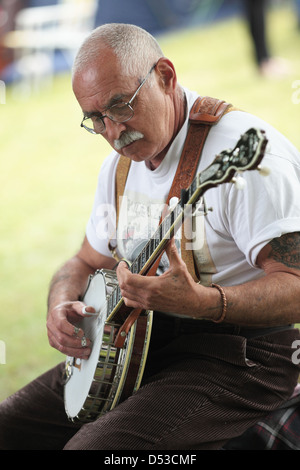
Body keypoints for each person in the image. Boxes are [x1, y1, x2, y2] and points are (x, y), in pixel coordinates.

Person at [1, 23, 300, 451]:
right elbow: (85, 261)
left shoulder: (250, 158)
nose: (112, 132)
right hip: (139, 347)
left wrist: (203, 302)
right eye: (95, 118)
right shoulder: (119, 167)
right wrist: (59, 306)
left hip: (242, 359)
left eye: (120, 106)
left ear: (165, 75)